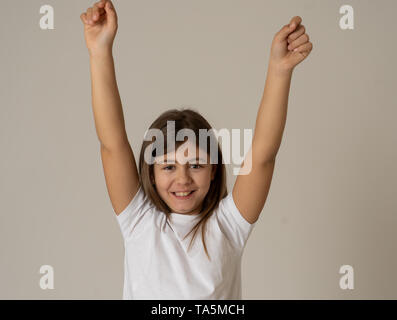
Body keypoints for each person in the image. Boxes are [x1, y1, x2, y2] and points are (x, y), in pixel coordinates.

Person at [80, 0, 313, 299]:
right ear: (150, 174)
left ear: (214, 169)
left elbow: (264, 154)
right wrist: (99, 51)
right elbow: (111, 144)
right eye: (168, 166)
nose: (183, 179)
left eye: (196, 165)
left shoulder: (229, 225)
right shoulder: (138, 221)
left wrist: (279, 70)